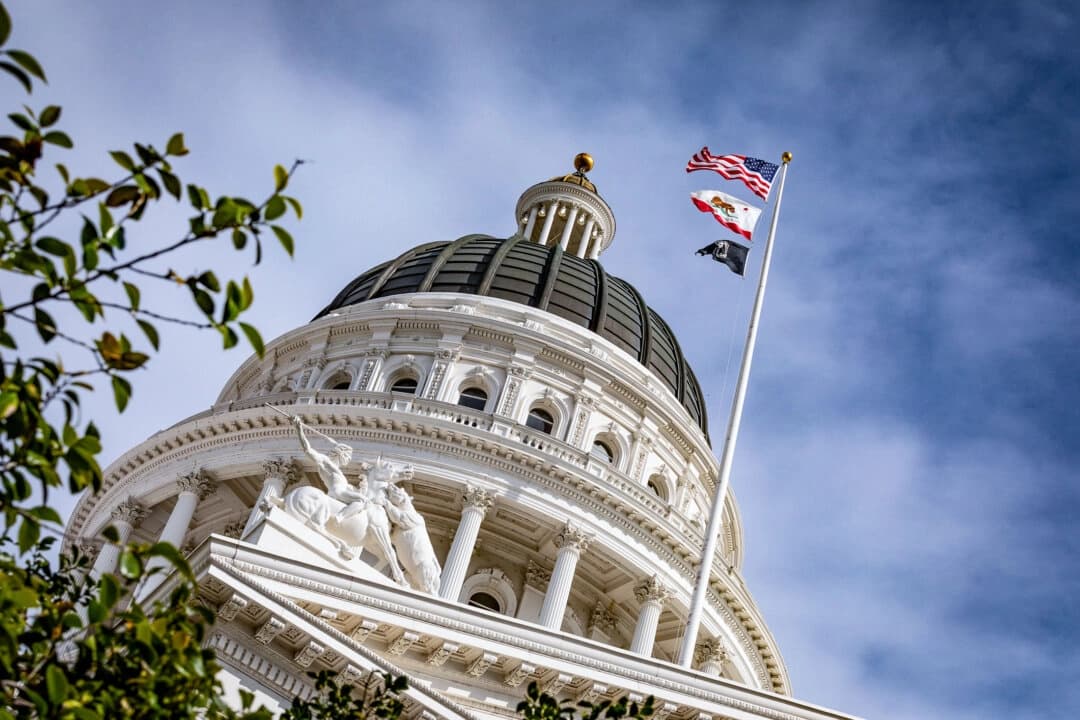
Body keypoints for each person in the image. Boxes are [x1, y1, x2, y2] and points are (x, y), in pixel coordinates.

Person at [291, 415, 371, 523]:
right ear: (341, 454)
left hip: (340, 492)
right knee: (363, 501)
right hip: (337, 493)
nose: (348, 460)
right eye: (348, 457)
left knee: (362, 498)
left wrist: (363, 486)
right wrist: (299, 429)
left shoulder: (337, 470)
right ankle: (339, 517)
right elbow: (308, 450)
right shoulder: (326, 462)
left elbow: (349, 488)